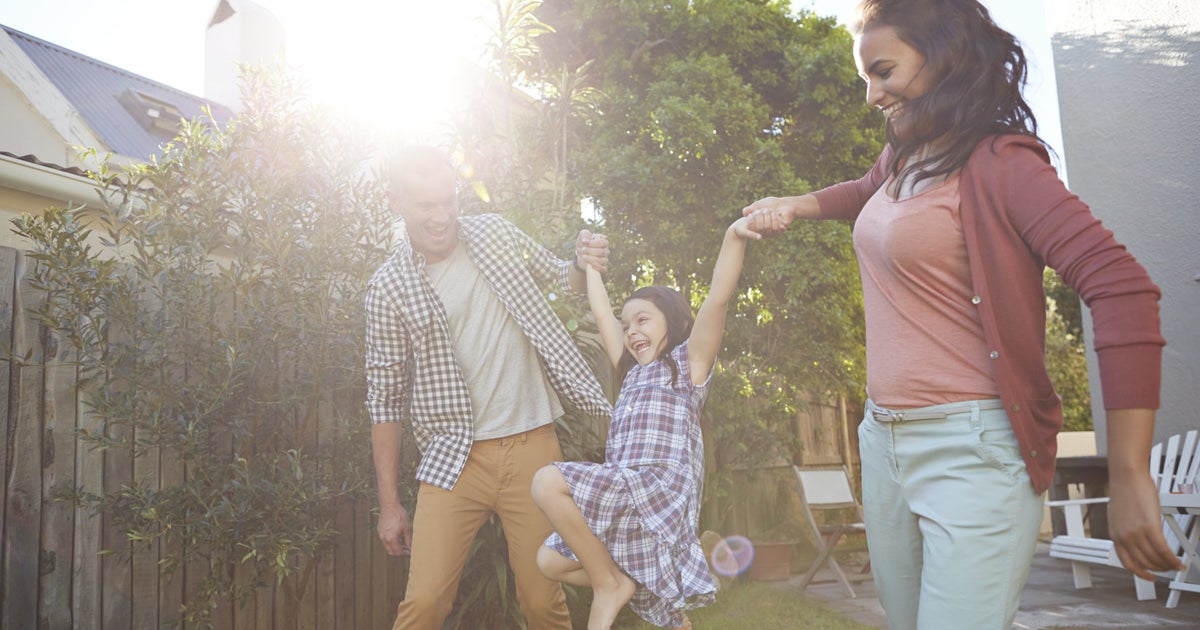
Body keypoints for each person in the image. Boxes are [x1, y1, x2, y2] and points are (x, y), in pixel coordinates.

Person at [741, 1, 1183, 628]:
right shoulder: (905, 158)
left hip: (972, 452)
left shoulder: (1003, 164)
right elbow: (866, 191)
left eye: (884, 72)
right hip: (884, 443)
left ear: (944, 58)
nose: (872, 95)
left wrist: (1130, 472)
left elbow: (1122, 288)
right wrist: (798, 204)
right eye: (866, 77)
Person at [364, 144, 613, 630]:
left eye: (448, 200)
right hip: (453, 458)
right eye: (426, 205)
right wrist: (390, 505)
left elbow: (566, 277)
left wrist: (585, 261)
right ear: (395, 199)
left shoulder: (495, 233)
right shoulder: (388, 287)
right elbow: (385, 400)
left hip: (532, 449)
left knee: (543, 604)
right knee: (424, 605)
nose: (442, 217)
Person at [530, 215, 762, 630]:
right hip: (627, 491)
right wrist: (591, 269)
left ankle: (610, 585)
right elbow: (600, 312)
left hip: (658, 489)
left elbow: (718, 299)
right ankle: (627, 580)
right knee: (549, 562)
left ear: (671, 323)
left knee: (547, 482)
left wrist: (733, 237)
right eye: (626, 325)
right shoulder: (630, 370)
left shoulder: (686, 365)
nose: (631, 331)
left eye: (642, 320)